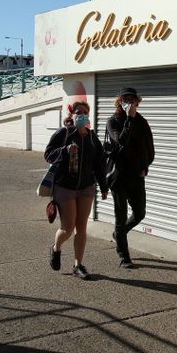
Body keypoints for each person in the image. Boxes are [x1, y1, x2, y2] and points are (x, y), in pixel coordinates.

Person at [44, 100, 108, 280]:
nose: (82, 115)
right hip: (65, 187)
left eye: (85, 112)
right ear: (72, 115)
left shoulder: (92, 137)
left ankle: (78, 265)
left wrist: (103, 186)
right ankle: (56, 248)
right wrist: (65, 150)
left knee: (82, 228)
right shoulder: (63, 133)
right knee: (68, 228)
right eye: (78, 112)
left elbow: (99, 164)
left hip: (86, 188)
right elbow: (48, 154)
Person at [105, 87, 154, 269]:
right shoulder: (113, 121)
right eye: (125, 100)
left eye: (133, 100)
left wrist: (145, 167)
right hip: (118, 176)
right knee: (120, 216)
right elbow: (121, 141)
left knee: (140, 213)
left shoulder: (142, 122)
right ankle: (124, 256)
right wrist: (129, 119)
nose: (130, 103)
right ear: (119, 102)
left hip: (136, 175)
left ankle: (119, 234)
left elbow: (149, 148)